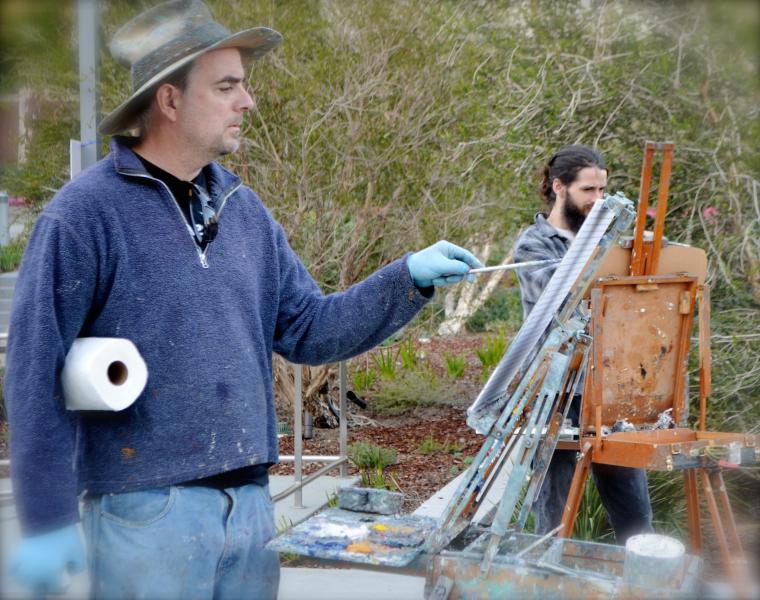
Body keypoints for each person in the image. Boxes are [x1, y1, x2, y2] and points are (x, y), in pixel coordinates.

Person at [4, 1, 483, 598]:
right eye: (227, 86)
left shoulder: (244, 211)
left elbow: (311, 329)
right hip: (145, 517)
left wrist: (407, 279)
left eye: (244, 86)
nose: (247, 102)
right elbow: (32, 369)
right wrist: (48, 518)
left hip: (253, 510)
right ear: (169, 100)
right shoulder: (84, 216)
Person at [512, 144, 653, 542]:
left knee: (635, 516)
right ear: (559, 187)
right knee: (553, 520)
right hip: (556, 393)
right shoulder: (533, 244)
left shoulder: (613, 240)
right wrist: (606, 253)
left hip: (608, 388)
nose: (598, 200)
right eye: (588, 190)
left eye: (602, 190)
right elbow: (562, 296)